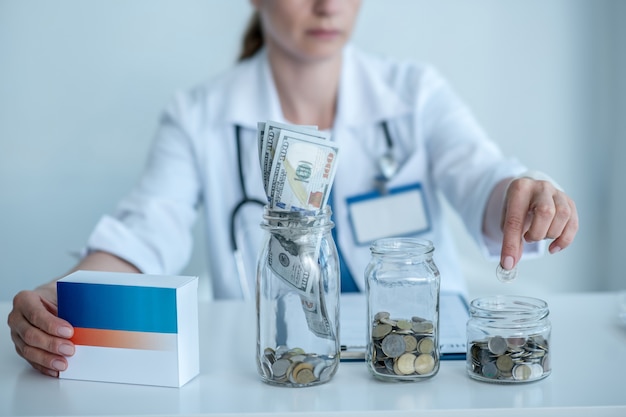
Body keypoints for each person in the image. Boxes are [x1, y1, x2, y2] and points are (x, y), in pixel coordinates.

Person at [8, 0, 578, 378]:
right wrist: (71, 296)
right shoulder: (198, 115)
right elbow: (146, 229)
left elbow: (481, 174)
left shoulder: (414, 93)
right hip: (279, 374)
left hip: (421, 364)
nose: (327, 5)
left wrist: (523, 197)